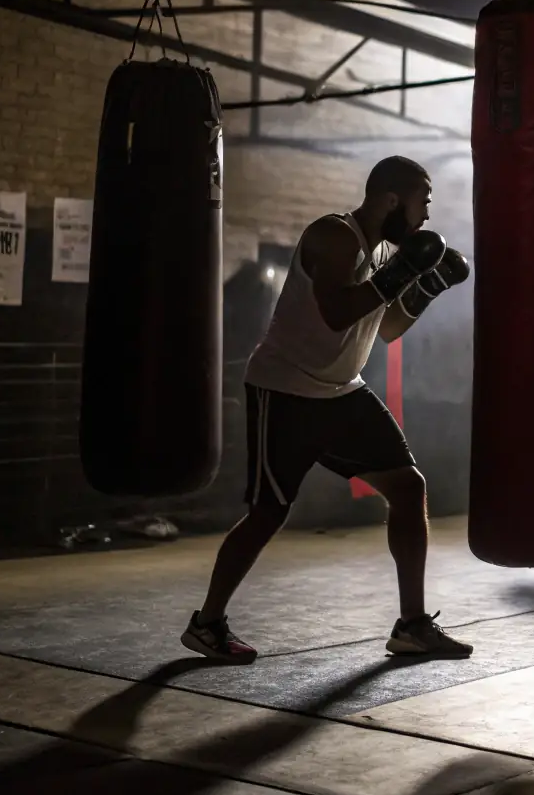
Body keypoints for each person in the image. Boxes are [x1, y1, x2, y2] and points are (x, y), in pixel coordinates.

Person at [181, 156, 473, 664]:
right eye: (421, 202)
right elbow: (337, 312)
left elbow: (386, 328)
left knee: (408, 487)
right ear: (391, 200)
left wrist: (425, 287)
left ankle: (412, 624)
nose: (426, 216)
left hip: (342, 392)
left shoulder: (384, 249)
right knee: (268, 513)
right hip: (286, 390)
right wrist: (403, 270)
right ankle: (207, 624)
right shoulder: (334, 236)